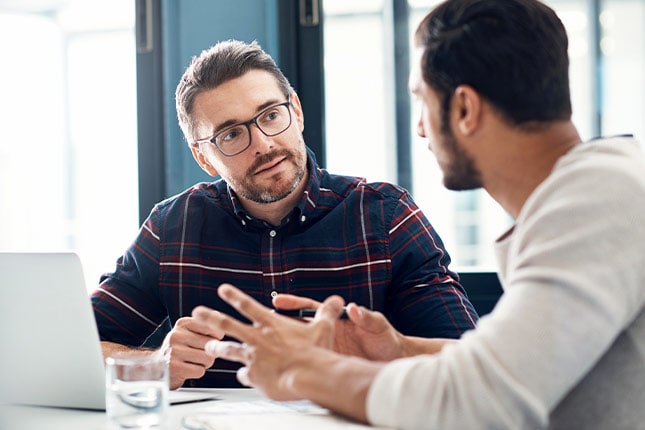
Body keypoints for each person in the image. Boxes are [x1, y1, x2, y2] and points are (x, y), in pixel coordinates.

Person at [191, 0, 645, 428]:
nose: (422, 129)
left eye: (422, 101)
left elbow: (479, 400)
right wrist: (397, 348)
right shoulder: (594, 194)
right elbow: (520, 366)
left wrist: (307, 372)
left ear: (464, 109)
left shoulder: (599, 199)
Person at [91, 39, 479, 389]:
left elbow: (470, 364)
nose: (263, 143)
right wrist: (153, 364)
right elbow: (75, 350)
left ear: (296, 110)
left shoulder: (387, 216)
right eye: (231, 135)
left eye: (271, 115)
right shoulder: (171, 228)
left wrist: (386, 350)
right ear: (202, 157)